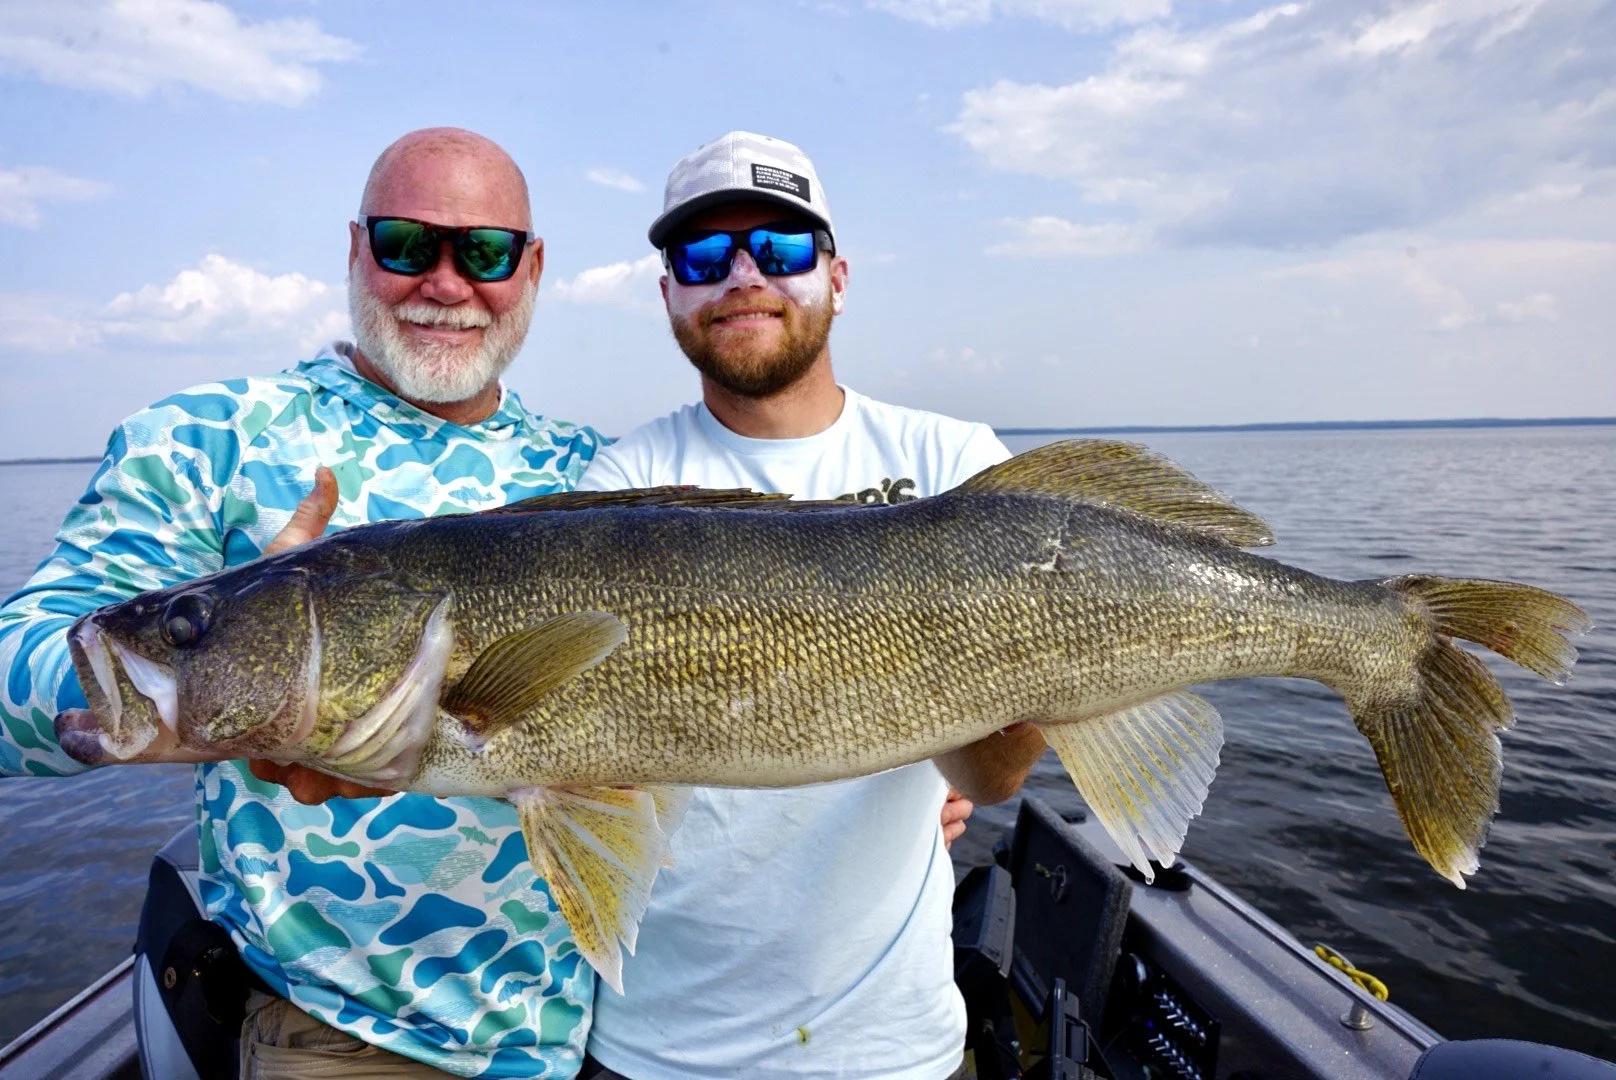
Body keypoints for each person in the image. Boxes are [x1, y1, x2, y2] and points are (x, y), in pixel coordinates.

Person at [0, 128, 606, 1078]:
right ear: (356, 249)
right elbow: (11, 686)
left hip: (587, 1024)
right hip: (344, 1034)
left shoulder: (594, 469)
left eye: (484, 251)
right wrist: (220, 675)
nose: (445, 283)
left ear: (531, 269)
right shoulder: (210, 438)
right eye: (408, 243)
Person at [575, 131, 1048, 1080]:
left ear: (837, 275)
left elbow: (995, 780)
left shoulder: (957, 464)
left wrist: (971, 725)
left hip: (891, 1050)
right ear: (670, 292)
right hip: (658, 1050)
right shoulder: (624, 484)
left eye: (782, 249)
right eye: (704, 257)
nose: (743, 275)